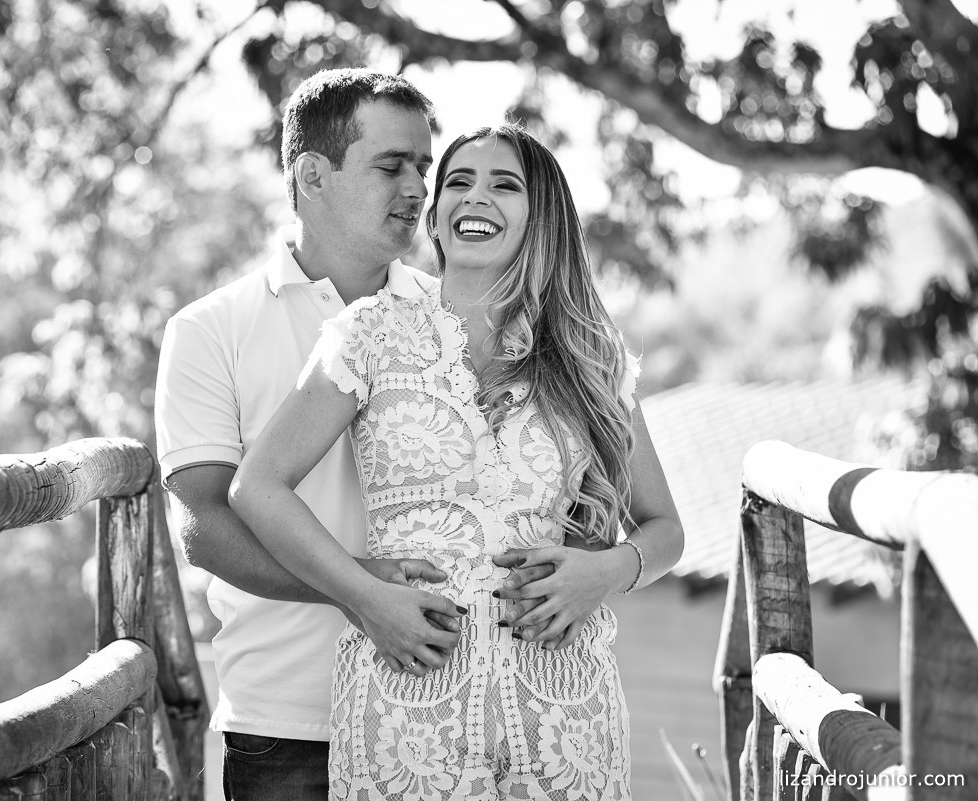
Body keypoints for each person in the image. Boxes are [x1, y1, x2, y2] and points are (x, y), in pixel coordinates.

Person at [229, 124, 684, 800]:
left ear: (542, 217)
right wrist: (362, 596)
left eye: (505, 185)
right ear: (437, 215)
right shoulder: (369, 335)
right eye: (459, 183)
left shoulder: (591, 356)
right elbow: (257, 487)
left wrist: (607, 570)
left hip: (564, 709)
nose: (477, 197)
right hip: (408, 709)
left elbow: (664, 528)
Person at [156, 69, 499, 800]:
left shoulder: (460, 320)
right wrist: (360, 590)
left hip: (443, 708)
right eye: (390, 165)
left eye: (422, 167)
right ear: (312, 174)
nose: (417, 188)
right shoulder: (210, 329)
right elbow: (205, 528)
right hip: (290, 724)